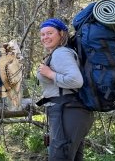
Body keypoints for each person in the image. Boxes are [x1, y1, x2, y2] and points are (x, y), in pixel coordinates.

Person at [36, 18, 94, 161]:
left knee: (60, 156)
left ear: (61, 34)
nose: (45, 37)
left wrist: (50, 73)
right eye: (42, 34)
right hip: (71, 112)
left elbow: (76, 81)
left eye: (49, 33)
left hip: (68, 111)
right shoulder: (60, 52)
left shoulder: (61, 53)